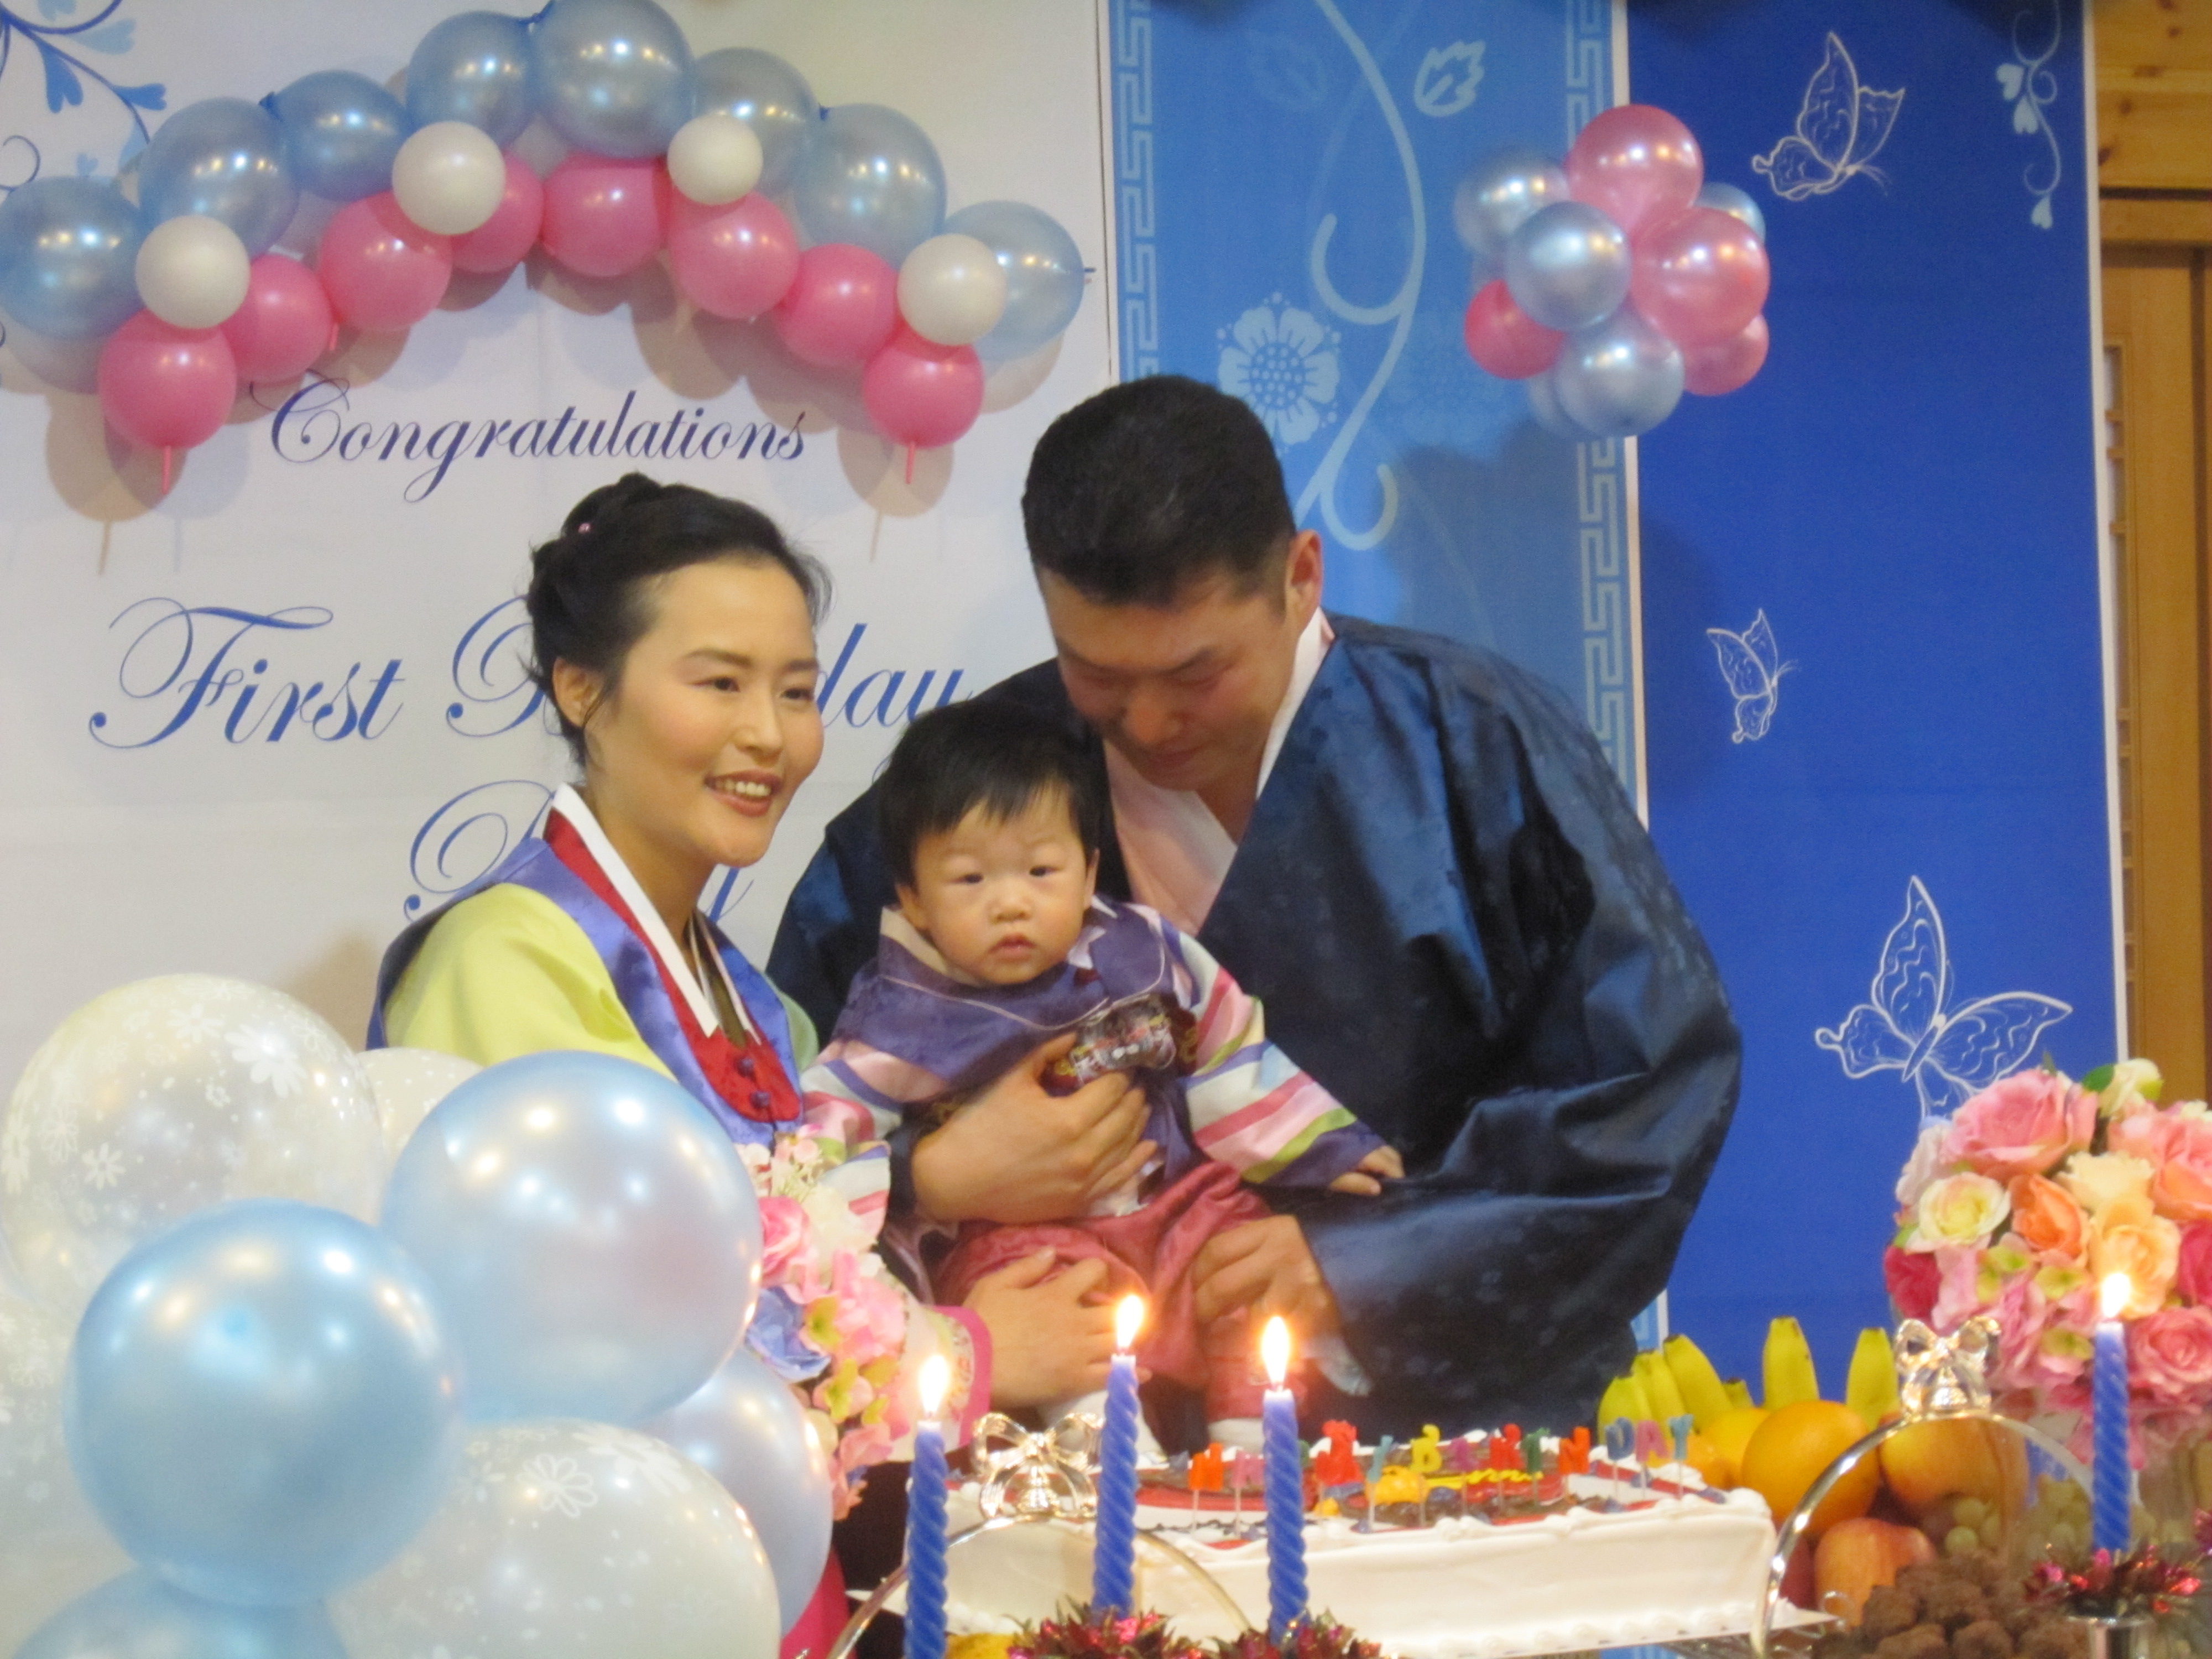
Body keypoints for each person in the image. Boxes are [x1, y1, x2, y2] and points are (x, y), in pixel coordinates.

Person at [771, 377, 1743, 1437]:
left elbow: (1651, 1088)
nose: (1148, 722)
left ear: (1301, 576)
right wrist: (930, 1178)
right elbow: (780, 1133)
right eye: (1096, 673)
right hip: (1076, 1436)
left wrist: (1371, 1264)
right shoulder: (973, 790)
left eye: (1197, 673)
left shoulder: (1475, 742)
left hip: (1442, 1420)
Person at [368, 474, 1133, 1652]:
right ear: (582, 687)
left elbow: (826, 1255)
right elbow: (612, 1326)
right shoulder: (504, 956)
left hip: (758, 1567)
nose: (769, 736)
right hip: (586, 1590)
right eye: (719, 683)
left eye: (796, 690)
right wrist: (972, 1351)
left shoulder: (755, 1001)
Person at [802, 698, 1402, 1452]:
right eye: (970, 879)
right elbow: (822, 1138)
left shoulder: (1141, 951)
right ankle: (1117, 1454)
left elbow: (1224, 1040)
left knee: (1242, 1261)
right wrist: (922, 1179)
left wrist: (1317, 1144)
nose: (1011, 903)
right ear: (914, 901)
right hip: (1027, 1237)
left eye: (1041, 871)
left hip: (1169, 1198)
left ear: (1088, 871)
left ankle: (1253, 1441)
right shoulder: (902, 1016)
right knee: (1056, 1304)